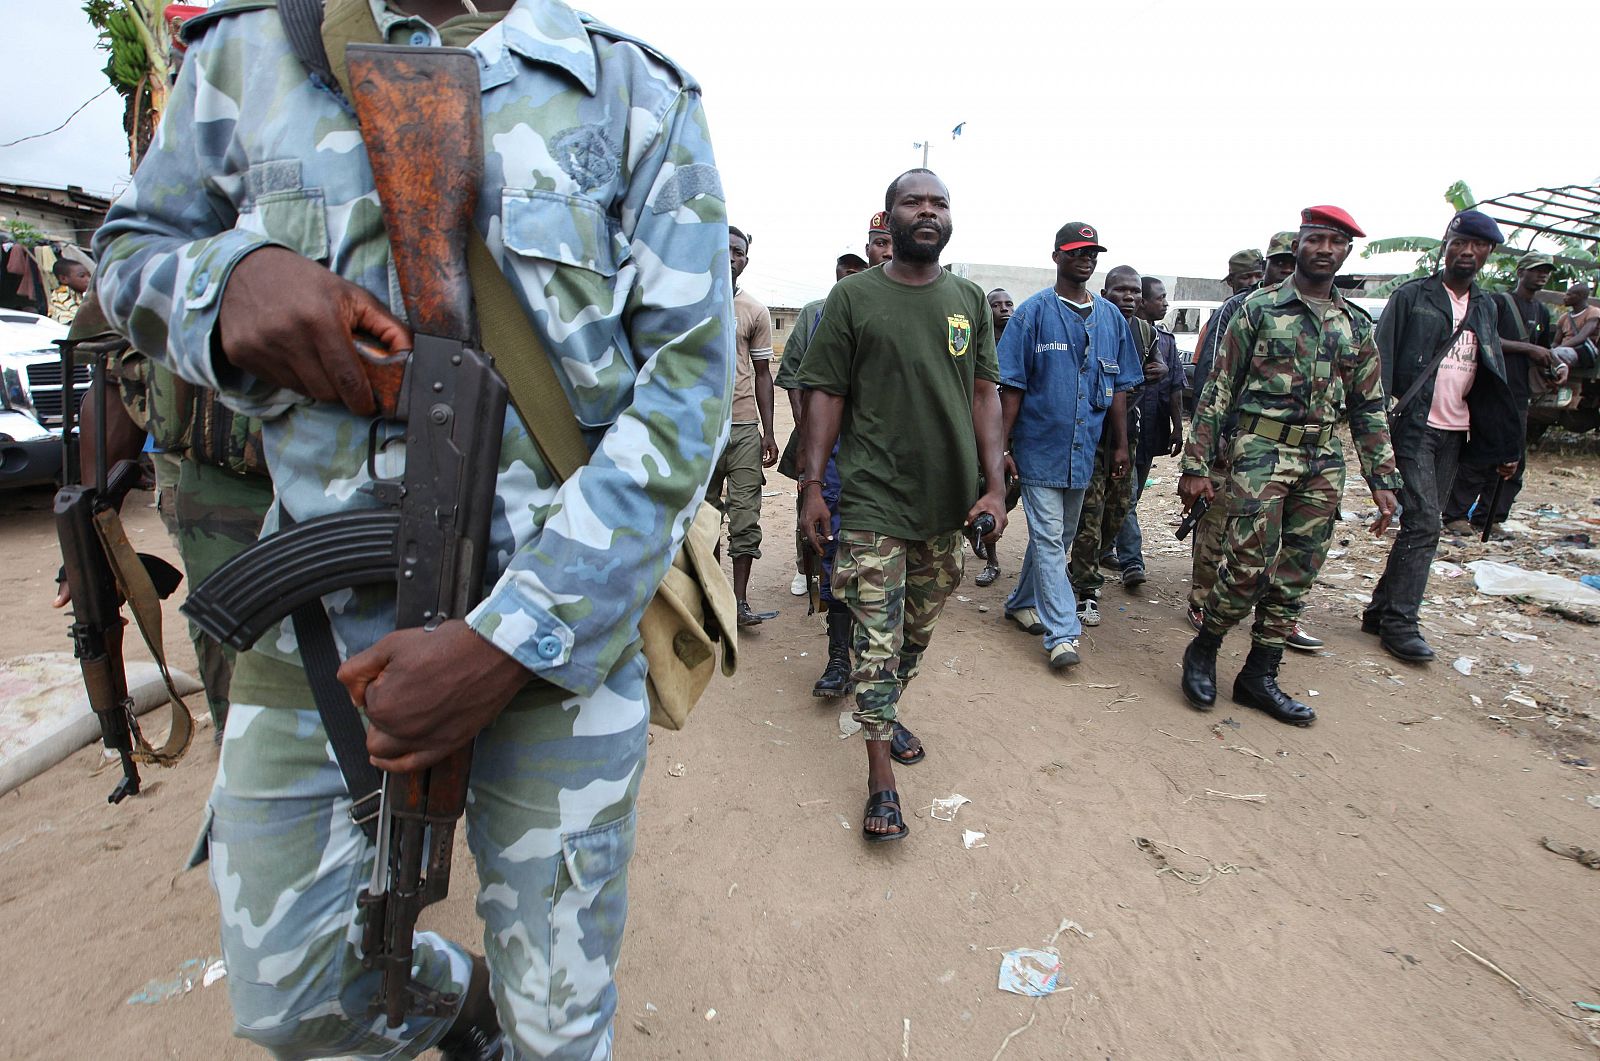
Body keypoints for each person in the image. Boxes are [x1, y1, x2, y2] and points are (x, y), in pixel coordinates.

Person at [92, 1, 733, 1056]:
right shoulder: (246, 55)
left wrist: (506, 638)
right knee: (291, 993)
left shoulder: (630, 92)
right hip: (318, 623)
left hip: (552, 636)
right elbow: (130, 251)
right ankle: (452, 1001)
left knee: (557, 1023)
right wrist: (227, 285)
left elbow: (684, 396)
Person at [798, 168, 1006, 842]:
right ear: (889, 218)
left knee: (914, 636)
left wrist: (994, 485)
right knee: (877, 642)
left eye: (938, 202)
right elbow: (824, 390)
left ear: (949, 218)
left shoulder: (969, 299)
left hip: (944, 505)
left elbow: (983, 393)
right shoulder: (854, 297)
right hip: (871, 499)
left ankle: (884, 709)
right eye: (913, 201)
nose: (927, 210)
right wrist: (811, 484)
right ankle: (880, 778)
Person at [1178, 206, 1402, 725]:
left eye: (1336, 242)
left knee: (1298, 571)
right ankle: (1206, 647)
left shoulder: (1355, 325)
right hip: (1261, 451)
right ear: (1298, 245)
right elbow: (1218, 388)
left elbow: (1369, 407)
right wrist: (1197, 462)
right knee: (1246, 566)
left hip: (1322, 459)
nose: (1325, 249)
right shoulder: (1257, 309)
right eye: (1316, 239)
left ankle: (1260, 674)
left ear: (1346, 252)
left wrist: (1383, 480)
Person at [1365, 209, 1522, 662]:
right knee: (1426, 524)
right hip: (1415, 427)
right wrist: (1376, 436)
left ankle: (1379, 611)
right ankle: (1400, 623)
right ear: (1446, 244)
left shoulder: (1486, 306)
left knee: (1419, 524)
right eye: (1460, 243)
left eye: (1479, 246)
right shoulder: (1412, 297)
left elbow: (1494, 375)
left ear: (1489, 254)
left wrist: (1506, 443)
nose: (1467, 253)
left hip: (1458, 431)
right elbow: (1381, 366)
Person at [999, 222, 1140, 668]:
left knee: (1059, 536)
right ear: (1057, 256)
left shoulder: (1111, 318)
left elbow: (1118, 386)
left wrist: (1120, 445)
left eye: (1092, 251)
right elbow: (1012, 387)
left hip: (1084, 451)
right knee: (1048, 535)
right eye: (1077, 251)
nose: (1087, 258)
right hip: (1039, 447)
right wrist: (1001, 448)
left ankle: (1021, 602)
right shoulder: (1031, 314)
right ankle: (1063, 633)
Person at [1184, 232, 1324, 652]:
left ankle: (1280, 616)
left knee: (1288, 537)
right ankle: (1203, 600)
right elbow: (1214, 378)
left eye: (1289, 262)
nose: (1284, 270)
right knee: (1220, 520)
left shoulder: (1322, 312)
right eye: (1278, 263)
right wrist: (1216, 442)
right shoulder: (1240, 310)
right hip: (1242, 441)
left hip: (1301, 450)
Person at [774, 232, 883, 698]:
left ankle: (881, 665)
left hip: (893, 458)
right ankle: (839, 658)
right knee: (836, 555)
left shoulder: (924, 306)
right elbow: (808, 383)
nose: (886, 252)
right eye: (878, 243)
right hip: (840, 453)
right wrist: (809, 458)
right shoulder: (830, 311)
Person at [1444, 253, 1562, 537]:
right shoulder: (1497, 303)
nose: (1542, 276)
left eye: (1546, 271)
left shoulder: (1542, 312)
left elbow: (1543, 350)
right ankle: (1455, 515)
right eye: (1536, 270)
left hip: (1519, 395)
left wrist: (1552, 369)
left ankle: (1490, 518)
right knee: (1481, 454)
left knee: (1512, 459)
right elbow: (1481, 337)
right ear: (1521, 272)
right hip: (1492, 390)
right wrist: (1528, 349)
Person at [777, 246, 870, 601]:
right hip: (818, 433)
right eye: (844, 271)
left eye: (856, 271)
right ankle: (806, 570)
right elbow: (794, 377)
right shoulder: (814, 312)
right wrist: (805, 436)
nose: (849, 276)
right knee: (812, 504)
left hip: (858, 437)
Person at [709, 225, 780, 626]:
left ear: (745, 261)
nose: (731, 255)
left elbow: (763, 373)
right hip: (700, 431)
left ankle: (737, 604)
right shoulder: (690, 300)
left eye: (738, 251)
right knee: (702, 519)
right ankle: (706, 598)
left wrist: (768, 431)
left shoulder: (755, 311)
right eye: (725, 248)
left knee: (744, 517)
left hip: (742, 429)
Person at [1067, 265, 1143, 626]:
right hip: (1093, 440)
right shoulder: (1096, 325)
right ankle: (1086, 588)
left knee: (1119, 509)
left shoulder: (1146, 332)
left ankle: (1083, 567)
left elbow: (1135, 386)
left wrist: (1125, 445)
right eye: (1122, 290)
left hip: (1125, 438)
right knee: (1090, 515)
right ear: (1106, 291)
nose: (1130, 297)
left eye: (1136, 291)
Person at [1112, 275, 1184, 584]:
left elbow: (1176, 387)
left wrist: (1178, 427)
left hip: (1149, 431)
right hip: (1120, 430)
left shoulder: (1163, 341)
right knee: (1124, 499)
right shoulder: (1118, 331)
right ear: (1144, 302)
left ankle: (1107, 547)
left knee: (1131, 498)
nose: (1165, 303)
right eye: (1160, 298)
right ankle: (1132, 561)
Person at [973, 286, 1015, 589]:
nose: (1004, 308)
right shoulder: (979, 343)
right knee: (986, 490)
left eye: (1008, 303)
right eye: (996, 304)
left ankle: (980, 530)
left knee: (1008, 495)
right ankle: (992, 560)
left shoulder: (1020, 341)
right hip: (986, 434)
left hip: (1013, 434)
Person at [48, 258, 91, 324]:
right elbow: (79, 315)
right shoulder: (61, 293)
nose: (89, 280)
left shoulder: (77, 293)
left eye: (89, 275)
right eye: (82, 276)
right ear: (63, 279)